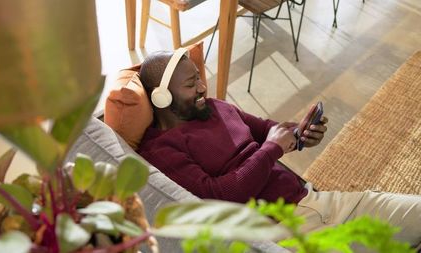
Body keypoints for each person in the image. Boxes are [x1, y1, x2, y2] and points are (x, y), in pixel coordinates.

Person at [137, 49, 421, 247]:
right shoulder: (161, 149)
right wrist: (272, 148)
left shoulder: (214, 107)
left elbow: (265, 129)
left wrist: (300, 134)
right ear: (161, 98)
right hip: (283, 231)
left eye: (199, 77)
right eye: (191, 84)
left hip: (317, 201)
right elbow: (218, 197)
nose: (202, 87)